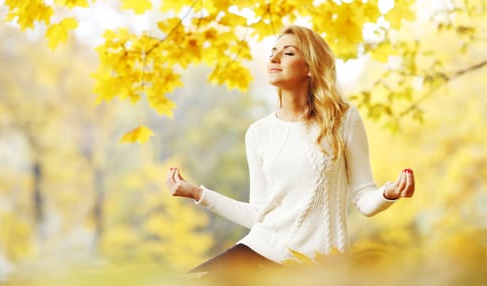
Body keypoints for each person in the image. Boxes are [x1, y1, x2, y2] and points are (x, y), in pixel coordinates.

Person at [165, 25, 415, 274]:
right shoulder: (259, 132)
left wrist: (389, 193)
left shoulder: (343, 120)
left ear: (309, 67)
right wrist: (198, 193)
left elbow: (364, 199)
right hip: (259, 249)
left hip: (318, 266)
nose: (274, 58)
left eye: (288, 53)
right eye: (273, 51)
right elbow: (258, 214)